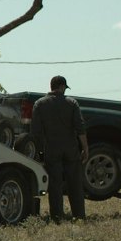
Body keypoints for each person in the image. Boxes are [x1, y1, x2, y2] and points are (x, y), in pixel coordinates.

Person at [30, 75, 89, 222]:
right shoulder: (72, 103)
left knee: (55, 184)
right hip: (71, 148)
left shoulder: (40, 104)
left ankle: (57, 216)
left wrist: (38, 151)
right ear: (62, 87)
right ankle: (79, 215)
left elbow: (36, 131)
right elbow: (80, 127)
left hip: (51, 148)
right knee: (75, 182)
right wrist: (85, 147)